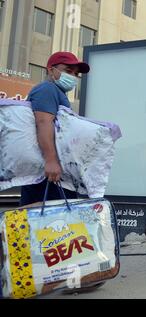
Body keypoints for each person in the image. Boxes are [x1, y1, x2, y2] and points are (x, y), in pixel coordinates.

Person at [20, 51, 90, 206]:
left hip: (52, 173)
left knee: (50, 225)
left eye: (76, 74)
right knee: (48, 223)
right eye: (68, 71)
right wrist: (51, 161)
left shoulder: (57, 92)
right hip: (47, 173)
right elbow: (44, 122)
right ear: (51, 70)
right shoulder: (47, 89)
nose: (73, 77)